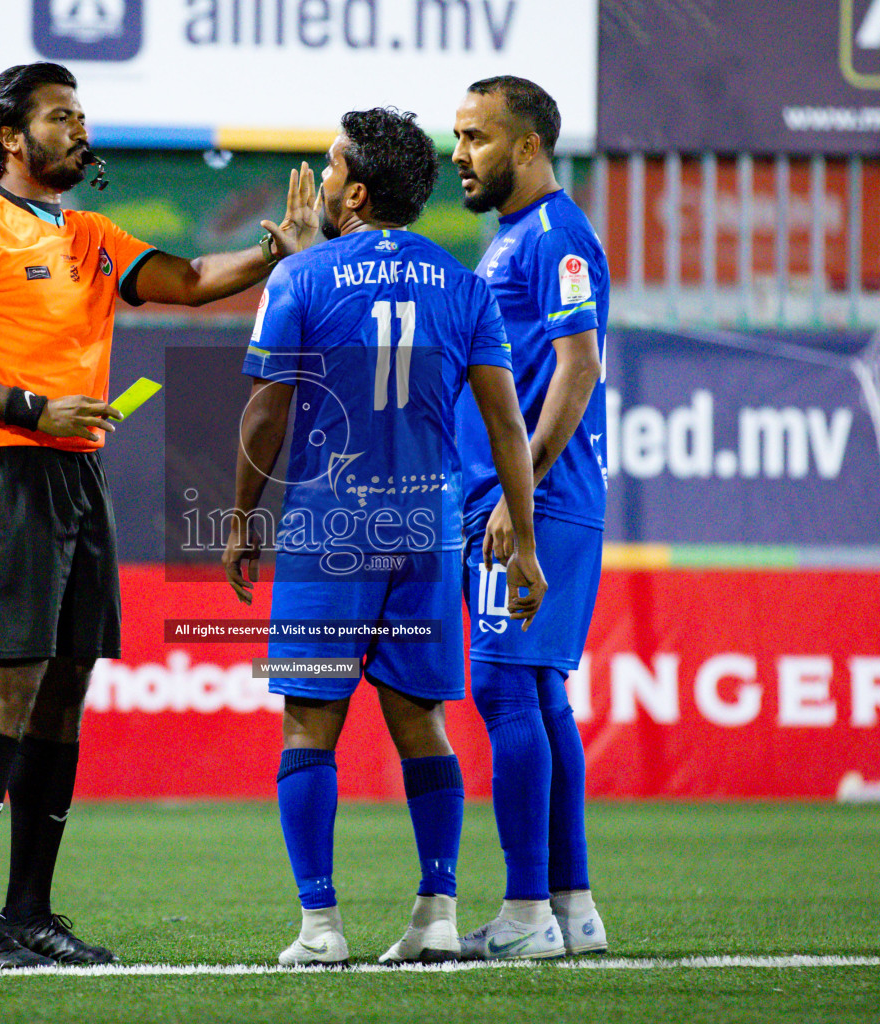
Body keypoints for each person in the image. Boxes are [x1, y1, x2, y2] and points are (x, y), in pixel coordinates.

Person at [0, 61, 318, 971]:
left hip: (74, 474)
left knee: (64, 687)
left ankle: (29, 915)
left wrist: (277, 252)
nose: (80, 129)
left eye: (81, 114)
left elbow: (197, 276)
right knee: (5, 681)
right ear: (13, 138)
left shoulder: (87, 233)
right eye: (61, 116)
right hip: (2, 465)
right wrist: (27, 408)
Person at [222, 107, 548, 967]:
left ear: (357, 192)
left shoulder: (298, 280)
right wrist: (522, 532)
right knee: (422, 723)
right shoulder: (466, 287)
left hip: (331, 527)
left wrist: (244, 512)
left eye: (331, 170)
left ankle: (321, 929)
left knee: (308, 725)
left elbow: (267, 408)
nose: (322, 181)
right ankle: (437, 914)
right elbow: (507, 424)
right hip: (427, 532)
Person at [449, 76, 611, 959]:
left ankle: (523, 915)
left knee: (505, 687)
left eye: (476, 137)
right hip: (527, 500)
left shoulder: (556, 237)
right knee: (539, 693)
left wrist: (521, 496)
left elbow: (579, 367)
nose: (459, 154)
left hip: (536, 503)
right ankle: (570, 905)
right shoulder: (511, 239)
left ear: (527, 146)